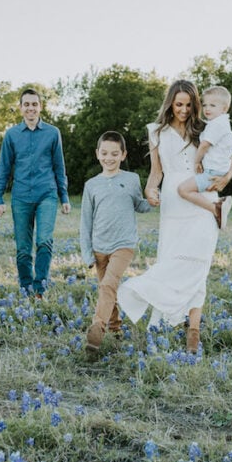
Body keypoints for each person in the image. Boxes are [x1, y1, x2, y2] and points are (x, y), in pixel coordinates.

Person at [117, 79, 232, 354]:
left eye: (188, 105)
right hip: (174, 200)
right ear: (170, 103)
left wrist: (226, 176)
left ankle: (193, 332)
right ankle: (165, 314)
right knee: (171, 262)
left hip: (203, 198)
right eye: (178, 104)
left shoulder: (206, 128)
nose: (183, 110)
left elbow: (229, 157)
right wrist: (150, 189)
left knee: (198, 266)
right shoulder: (156, 131)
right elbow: (156, 171)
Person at [80, 131, 152, 359]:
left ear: (123, 155)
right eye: (104, 153)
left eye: (114, 153)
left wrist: (153, 199)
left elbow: (140, 205)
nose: (108, 158)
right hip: (99, 245)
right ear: (97, 154)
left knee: (108, 285)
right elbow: (85, 221)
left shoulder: (131, 179)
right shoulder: (91, 185)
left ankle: (97, 330)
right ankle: (115, 327)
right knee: (106, 289)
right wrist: (87, 253)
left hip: (124, 243)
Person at [0, 87, 71, 296]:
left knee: (44, 240)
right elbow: (4, 168)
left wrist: (64, 196)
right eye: (26, 104)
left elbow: (59, 167)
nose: (31, 108)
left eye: (34, 104)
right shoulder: (11, 135)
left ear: (40, 107)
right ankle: (26, 287)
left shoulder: (53, 133)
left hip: (47, 194)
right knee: (23, 248)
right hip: (21, 197)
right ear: (20, 108)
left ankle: (40, 288)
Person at [177, 85, 232, 229]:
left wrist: (196, 162)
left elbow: (204, 145)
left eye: (212, 105)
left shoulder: (216, 125)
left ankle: (216, 208)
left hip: (212, 172)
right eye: (205, 105)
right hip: (217, 170)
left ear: (224, 109)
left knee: (183, 190)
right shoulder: (219, 123)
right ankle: (218, 205)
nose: (207, 109)